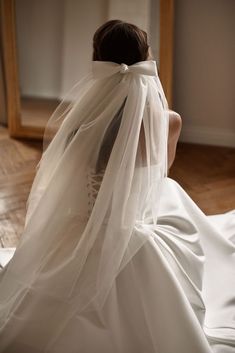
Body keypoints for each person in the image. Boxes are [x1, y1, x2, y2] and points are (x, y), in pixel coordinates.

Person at [0, 19, 234, 353]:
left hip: (79, 233)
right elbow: (159, 176)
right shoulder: (170, 121)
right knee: (171, 195)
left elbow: (69, 184)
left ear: (97, 63)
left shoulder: (79, 126)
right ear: (147, 59)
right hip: (135, 233)